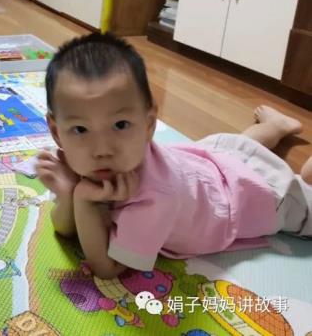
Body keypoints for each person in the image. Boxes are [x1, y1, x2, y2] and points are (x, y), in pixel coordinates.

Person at [36, 33, 312, 279]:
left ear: (149, 124)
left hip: (253, 197)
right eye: (80, 129)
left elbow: (107, 268)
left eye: (120, 125)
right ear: (57, 132)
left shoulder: (154, 196)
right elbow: (65, 229)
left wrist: (83, 200)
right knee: (239, 149)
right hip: (210, 165)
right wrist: (68, 195)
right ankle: (274, 127)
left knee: (301, 206)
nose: (102, 149)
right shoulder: (79, 161)